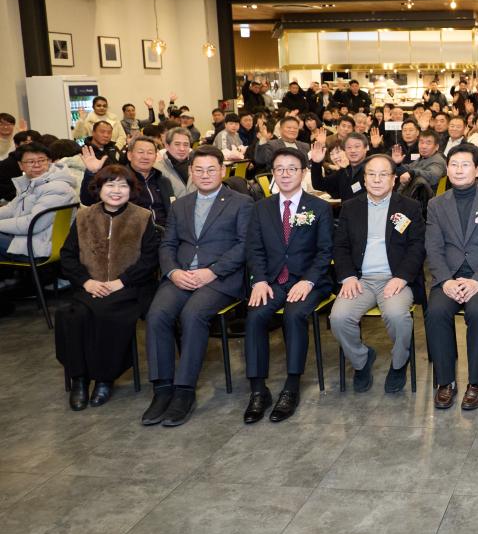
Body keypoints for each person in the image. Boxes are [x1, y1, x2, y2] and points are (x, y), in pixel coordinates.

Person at [141, 147, 253, 427]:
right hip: (181, 275)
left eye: (211, 169)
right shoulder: (181, 204)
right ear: (191, 172)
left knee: (192, 315)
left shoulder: (241, 203)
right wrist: (173, 271)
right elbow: (167, 243)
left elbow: (245, 246)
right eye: (199, 170)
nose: (205, 175)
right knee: (157, 315)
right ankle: (162, 388)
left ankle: (184, 391)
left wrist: (212, 272)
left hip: (220, 278)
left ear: (222, 171)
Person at [55, 165, 160, 410]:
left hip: (129, 288)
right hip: (90, 286)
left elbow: (150, 258)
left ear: (131, 190)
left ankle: (104, 378)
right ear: (99, 188)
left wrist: (120, 282)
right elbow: (67, 255)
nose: (116, 190)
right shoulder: (83, 217)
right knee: (71, 316)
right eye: (109, 185)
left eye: (123, 185)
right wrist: (87, 281)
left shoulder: (142, 217)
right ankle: (79, 379)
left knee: (107, 314)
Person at [242, 148, 333, 424]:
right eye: (279, 168)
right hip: (272, 280)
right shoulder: (261, 208)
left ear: (303, 172)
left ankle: (291, 387)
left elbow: (325, 250)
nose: (285, 173)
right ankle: (258, 390)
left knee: (294, 315)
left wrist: (308, 280)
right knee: (255, 315)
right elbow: (254, 249)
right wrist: (258, 280)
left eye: (292, 168)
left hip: (309, 280)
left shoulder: (319, 207)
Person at [330, 154, 426, 394]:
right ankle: (362, 361)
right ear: (364, 179)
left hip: (395, 279)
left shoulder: (409, 207)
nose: (377, 179)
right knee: (339, 319)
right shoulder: (351, 207)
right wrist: (348, 276)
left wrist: (401, 277)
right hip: (360, 280)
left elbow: (418, 246)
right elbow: (340, 246)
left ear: (394, 180)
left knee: (397, 316)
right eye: (371, 174)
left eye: (383, 174)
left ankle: (399, 363)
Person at [424, 143, 478, 410]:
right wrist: (446, 280)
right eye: (454, 165)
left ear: (477, 169)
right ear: (447, 169)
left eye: (465, 165)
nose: (459, 170)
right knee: (436, 312)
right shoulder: (436, 204)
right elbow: (433, 247)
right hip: (448, 277)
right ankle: (445, 382)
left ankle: (476, 383)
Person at [0, 142, 78, 261]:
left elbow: (31, 224)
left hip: (41, 247)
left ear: (50, 161)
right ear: (21, 165)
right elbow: (12, 208)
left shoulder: (57, 187)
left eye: (42, 160)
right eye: (31, 162)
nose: (37, 165)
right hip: (32, 240)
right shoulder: (34, 183)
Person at [81, 135, 173, 225]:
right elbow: (88, 200)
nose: (145, 157)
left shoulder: (163, 180)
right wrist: (91, 173)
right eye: (140, 152)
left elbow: (171, 211)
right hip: (129, 234)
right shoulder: (118, 178)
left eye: (150, 153)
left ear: (156, 157)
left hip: (164, 234)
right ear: (129, 155)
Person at [310, 132, 369, 202]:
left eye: (357, 146)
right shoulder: (343, 172)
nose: (353, 150)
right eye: (349, 147)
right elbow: (318, 184)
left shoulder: (371, 169)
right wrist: (316, 163)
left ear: (366, 148)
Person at [155, 127, 196, 199]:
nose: (182, 149)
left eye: (186, 145)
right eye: (177, 144)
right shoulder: (157, 169)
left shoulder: (196, 167)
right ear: (167, 146)